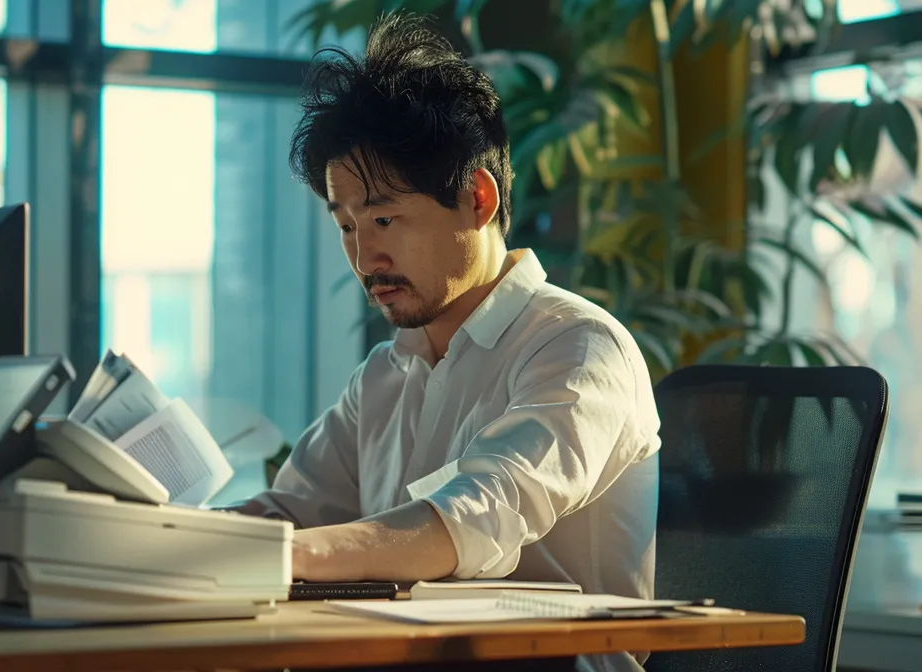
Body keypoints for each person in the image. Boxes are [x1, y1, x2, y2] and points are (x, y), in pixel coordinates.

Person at [228, 12, 663, 672]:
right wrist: (158, 543)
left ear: (478, 198)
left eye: (383, 217)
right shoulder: (384, 375)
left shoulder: (578, 348)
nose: (363, 254)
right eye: (345, 225)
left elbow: (477, 512)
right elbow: (288, 510)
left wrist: (276, 557)